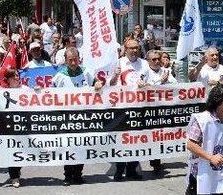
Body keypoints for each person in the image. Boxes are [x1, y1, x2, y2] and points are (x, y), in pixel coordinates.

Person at [52, 47, 103, 185]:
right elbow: (51, 94)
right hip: (67, 117)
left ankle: (78, 174)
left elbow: (97, 84)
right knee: (68, 146)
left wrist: (98, 84)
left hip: (84, 116)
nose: (73, 63)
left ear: (79, 58)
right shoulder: (60, 76)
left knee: (81, 145)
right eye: (70, 60)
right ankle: (68, 175)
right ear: (65, 60)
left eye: (75, 59)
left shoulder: (86, 72)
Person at [110, 39, 149, 181]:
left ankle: (132, 169)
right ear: (125, 49)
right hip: (122, 106)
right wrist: (115, 75)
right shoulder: (119, 62)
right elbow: (110, 84)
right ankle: (119, 169)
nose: (134, 51)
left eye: (137, 48)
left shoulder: (144, 64)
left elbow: (150, 85)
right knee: (121, 139)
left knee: (135, 139)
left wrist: (144, 85)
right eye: (131, 48)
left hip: (138, 106)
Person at [146, 50, 176, 173]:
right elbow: (144, 86)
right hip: (147, 108)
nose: (157, 61)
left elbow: (176, 84)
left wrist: (166, 82)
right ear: (148, 61)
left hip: (162, 108)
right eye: (154, 59)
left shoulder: (165, 71)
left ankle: (156, 162)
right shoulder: (145, 71)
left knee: (158, 137)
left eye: (159, 59)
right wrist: (160, 83)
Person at [1, 68, 24, 187]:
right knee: (12, 149)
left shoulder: (25, 89)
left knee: (23, 149)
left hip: (24, 125)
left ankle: (17, 169)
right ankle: (14, 176)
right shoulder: (2, 92)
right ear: (8, 79)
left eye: (17, 75)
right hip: (9, 125)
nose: (17, 77)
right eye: (13, 76)